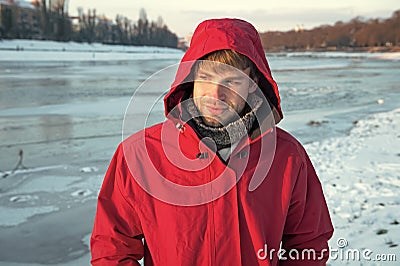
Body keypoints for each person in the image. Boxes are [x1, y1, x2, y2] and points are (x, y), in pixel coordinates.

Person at [90, 18, 333, 265]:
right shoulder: (141, 153)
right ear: (191, 77)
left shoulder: (287, 156)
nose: (216, 95)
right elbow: (112, 248)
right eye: (206, 78)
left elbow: (308, 244)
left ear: (253, 83)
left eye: (231, 81)